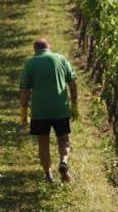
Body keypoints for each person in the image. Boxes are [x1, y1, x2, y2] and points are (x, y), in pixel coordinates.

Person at [19, 39, 79, 184]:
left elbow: (25, 91)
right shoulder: (61, 59)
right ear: (49, 48)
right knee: (64, 140)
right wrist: (74, 105)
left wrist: (23, 112)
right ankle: (64, 161)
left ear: (35, 50)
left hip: (40, 111)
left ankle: (48, 175)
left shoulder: (30, 63)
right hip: (60, 108)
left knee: (43, 143)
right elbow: (72, 83)